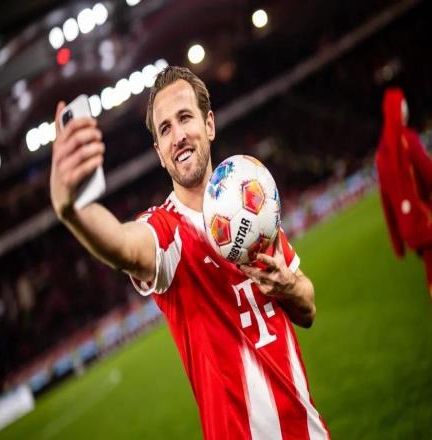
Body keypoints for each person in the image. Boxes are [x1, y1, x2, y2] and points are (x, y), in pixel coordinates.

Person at [50, 66, 330, 439]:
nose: (178, 136)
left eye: (185, 118)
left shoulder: (249, 199)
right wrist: (72, 211)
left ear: (209, 124)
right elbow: (123, 244)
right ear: (159, 153)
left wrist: (288, 287)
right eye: (165, 129)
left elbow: (308, 308)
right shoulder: (166, 232)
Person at [375, 87, 432, 297]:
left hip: (409, 230)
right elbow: (428, 173)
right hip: (425, 221)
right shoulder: (408, 139)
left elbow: (386, 203)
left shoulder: (380, 156)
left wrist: (397, 243)